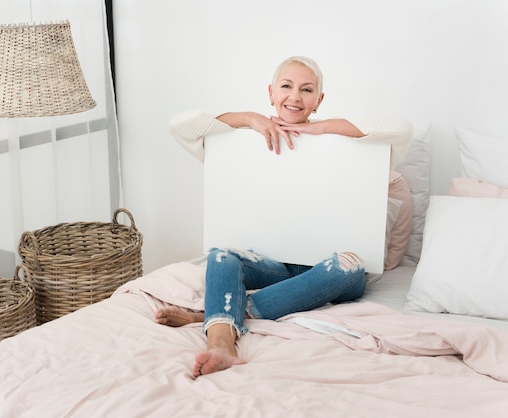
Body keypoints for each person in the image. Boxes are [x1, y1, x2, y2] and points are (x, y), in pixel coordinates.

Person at [157, 56, 413, 378]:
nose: (295, 96)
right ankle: (221, 345)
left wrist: (321, 129)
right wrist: (249, 118)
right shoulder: (241, 143)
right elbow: (180, 125)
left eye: (307, 90)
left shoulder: (346, 146)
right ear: (271, 92)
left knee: (350, 264)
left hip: (327, 270)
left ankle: (214, 312)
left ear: (319, 100)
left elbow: (402, 130)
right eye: (286, 86)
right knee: (221, 256)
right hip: (273, 266)